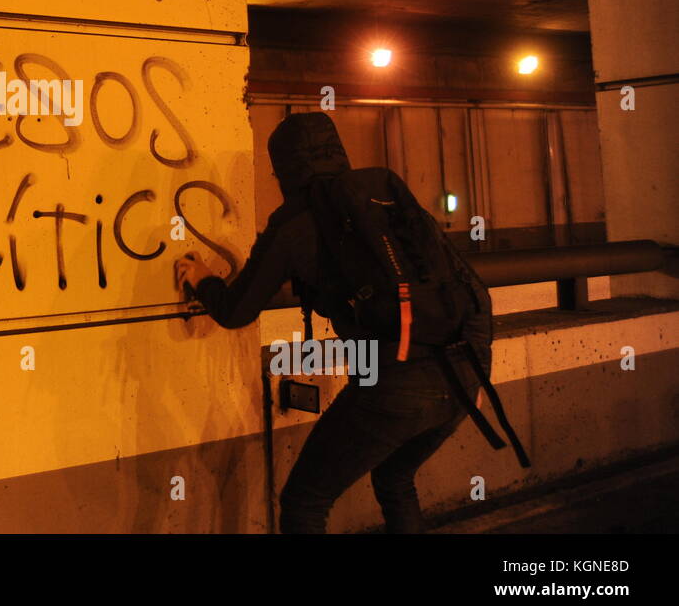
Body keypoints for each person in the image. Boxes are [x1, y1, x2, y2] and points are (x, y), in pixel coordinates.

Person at [175, 111, 494, 534]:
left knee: (305, 501)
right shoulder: (383, 199)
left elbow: (236, 310)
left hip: (395, 383)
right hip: (470, 370)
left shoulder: (293, 223)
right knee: (395, 479)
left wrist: (203, 280)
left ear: (284, 169)